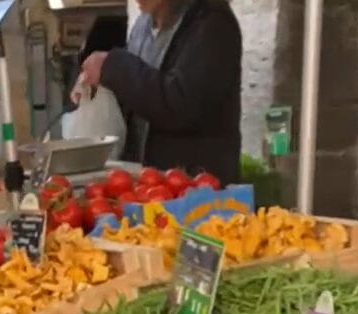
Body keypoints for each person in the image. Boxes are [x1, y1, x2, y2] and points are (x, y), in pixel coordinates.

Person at [78, 0, 242, 184]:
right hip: (150, 186)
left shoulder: (212, 22)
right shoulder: (142, 26)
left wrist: (113, 67)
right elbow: (138, 96)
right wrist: (100, 83)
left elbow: (181, 103)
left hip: (196, 188)